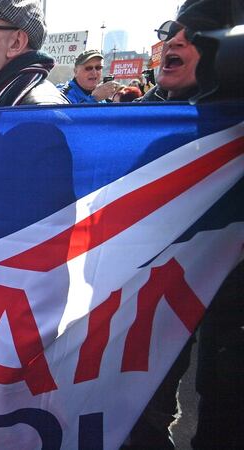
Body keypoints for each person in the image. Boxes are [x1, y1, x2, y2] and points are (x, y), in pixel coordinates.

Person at [125, 1, 243, 448]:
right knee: (140, 412)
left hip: (231, 314)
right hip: (155, 302)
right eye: (171, 30)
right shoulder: (141, 121)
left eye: (197, 33)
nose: (173, 40)